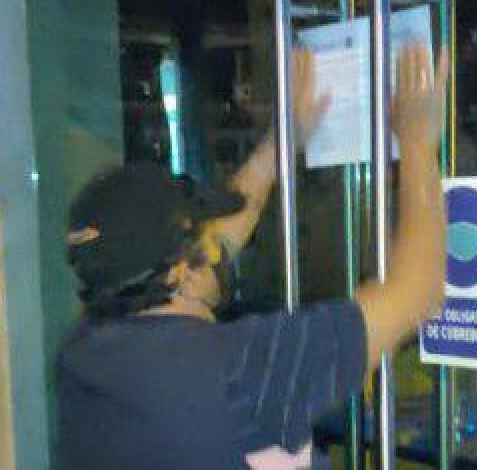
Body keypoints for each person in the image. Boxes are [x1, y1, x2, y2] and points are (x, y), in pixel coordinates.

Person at [56, 44, 448, 470]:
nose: (218, 245)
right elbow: (417, 293)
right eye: (203, 240)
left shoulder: (83, 354)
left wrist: (280, 145)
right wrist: (416, 142)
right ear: (181, 273)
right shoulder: (243, 369)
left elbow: (218, 240)